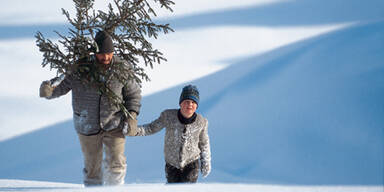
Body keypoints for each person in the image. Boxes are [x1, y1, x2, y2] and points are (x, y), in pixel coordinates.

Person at [39, 31, 142, 186]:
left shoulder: (122, 69)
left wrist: (132, 115)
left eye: (109, 54)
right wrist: (49, 91)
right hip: (86, 123)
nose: (106, 58)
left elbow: (133, 95)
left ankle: (115, 189)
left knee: (116, 162)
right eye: (101, 54)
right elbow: (62, 86)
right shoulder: (81, 69)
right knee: (92, 166)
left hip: (114, 123)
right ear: (94, 53)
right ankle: (92, 188)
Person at [125, 85, 211, 183]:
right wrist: (135, 131)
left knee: (187, 187)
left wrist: (206, 162)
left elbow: (204, 144)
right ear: (181, 103)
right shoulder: (168, 116)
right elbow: (151, 128)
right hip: (172, 163)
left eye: (193, 102)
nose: (190, 105)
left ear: (196, 106)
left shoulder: (201, 122)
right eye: (186, 101)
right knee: (173, 187)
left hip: (191, 162)